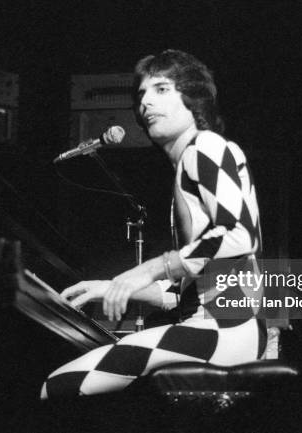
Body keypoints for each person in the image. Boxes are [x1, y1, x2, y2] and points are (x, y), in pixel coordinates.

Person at [41, 49, 266, 399]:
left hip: (226, 328)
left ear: (194, 100)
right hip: (218, 327)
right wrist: (112, 286)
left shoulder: (205, 147)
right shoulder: (188, 166)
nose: (146, 101)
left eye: (162, 89)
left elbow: (240, 233)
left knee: (58, 386)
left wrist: (149, 269)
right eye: (142, 93)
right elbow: (180, 296)